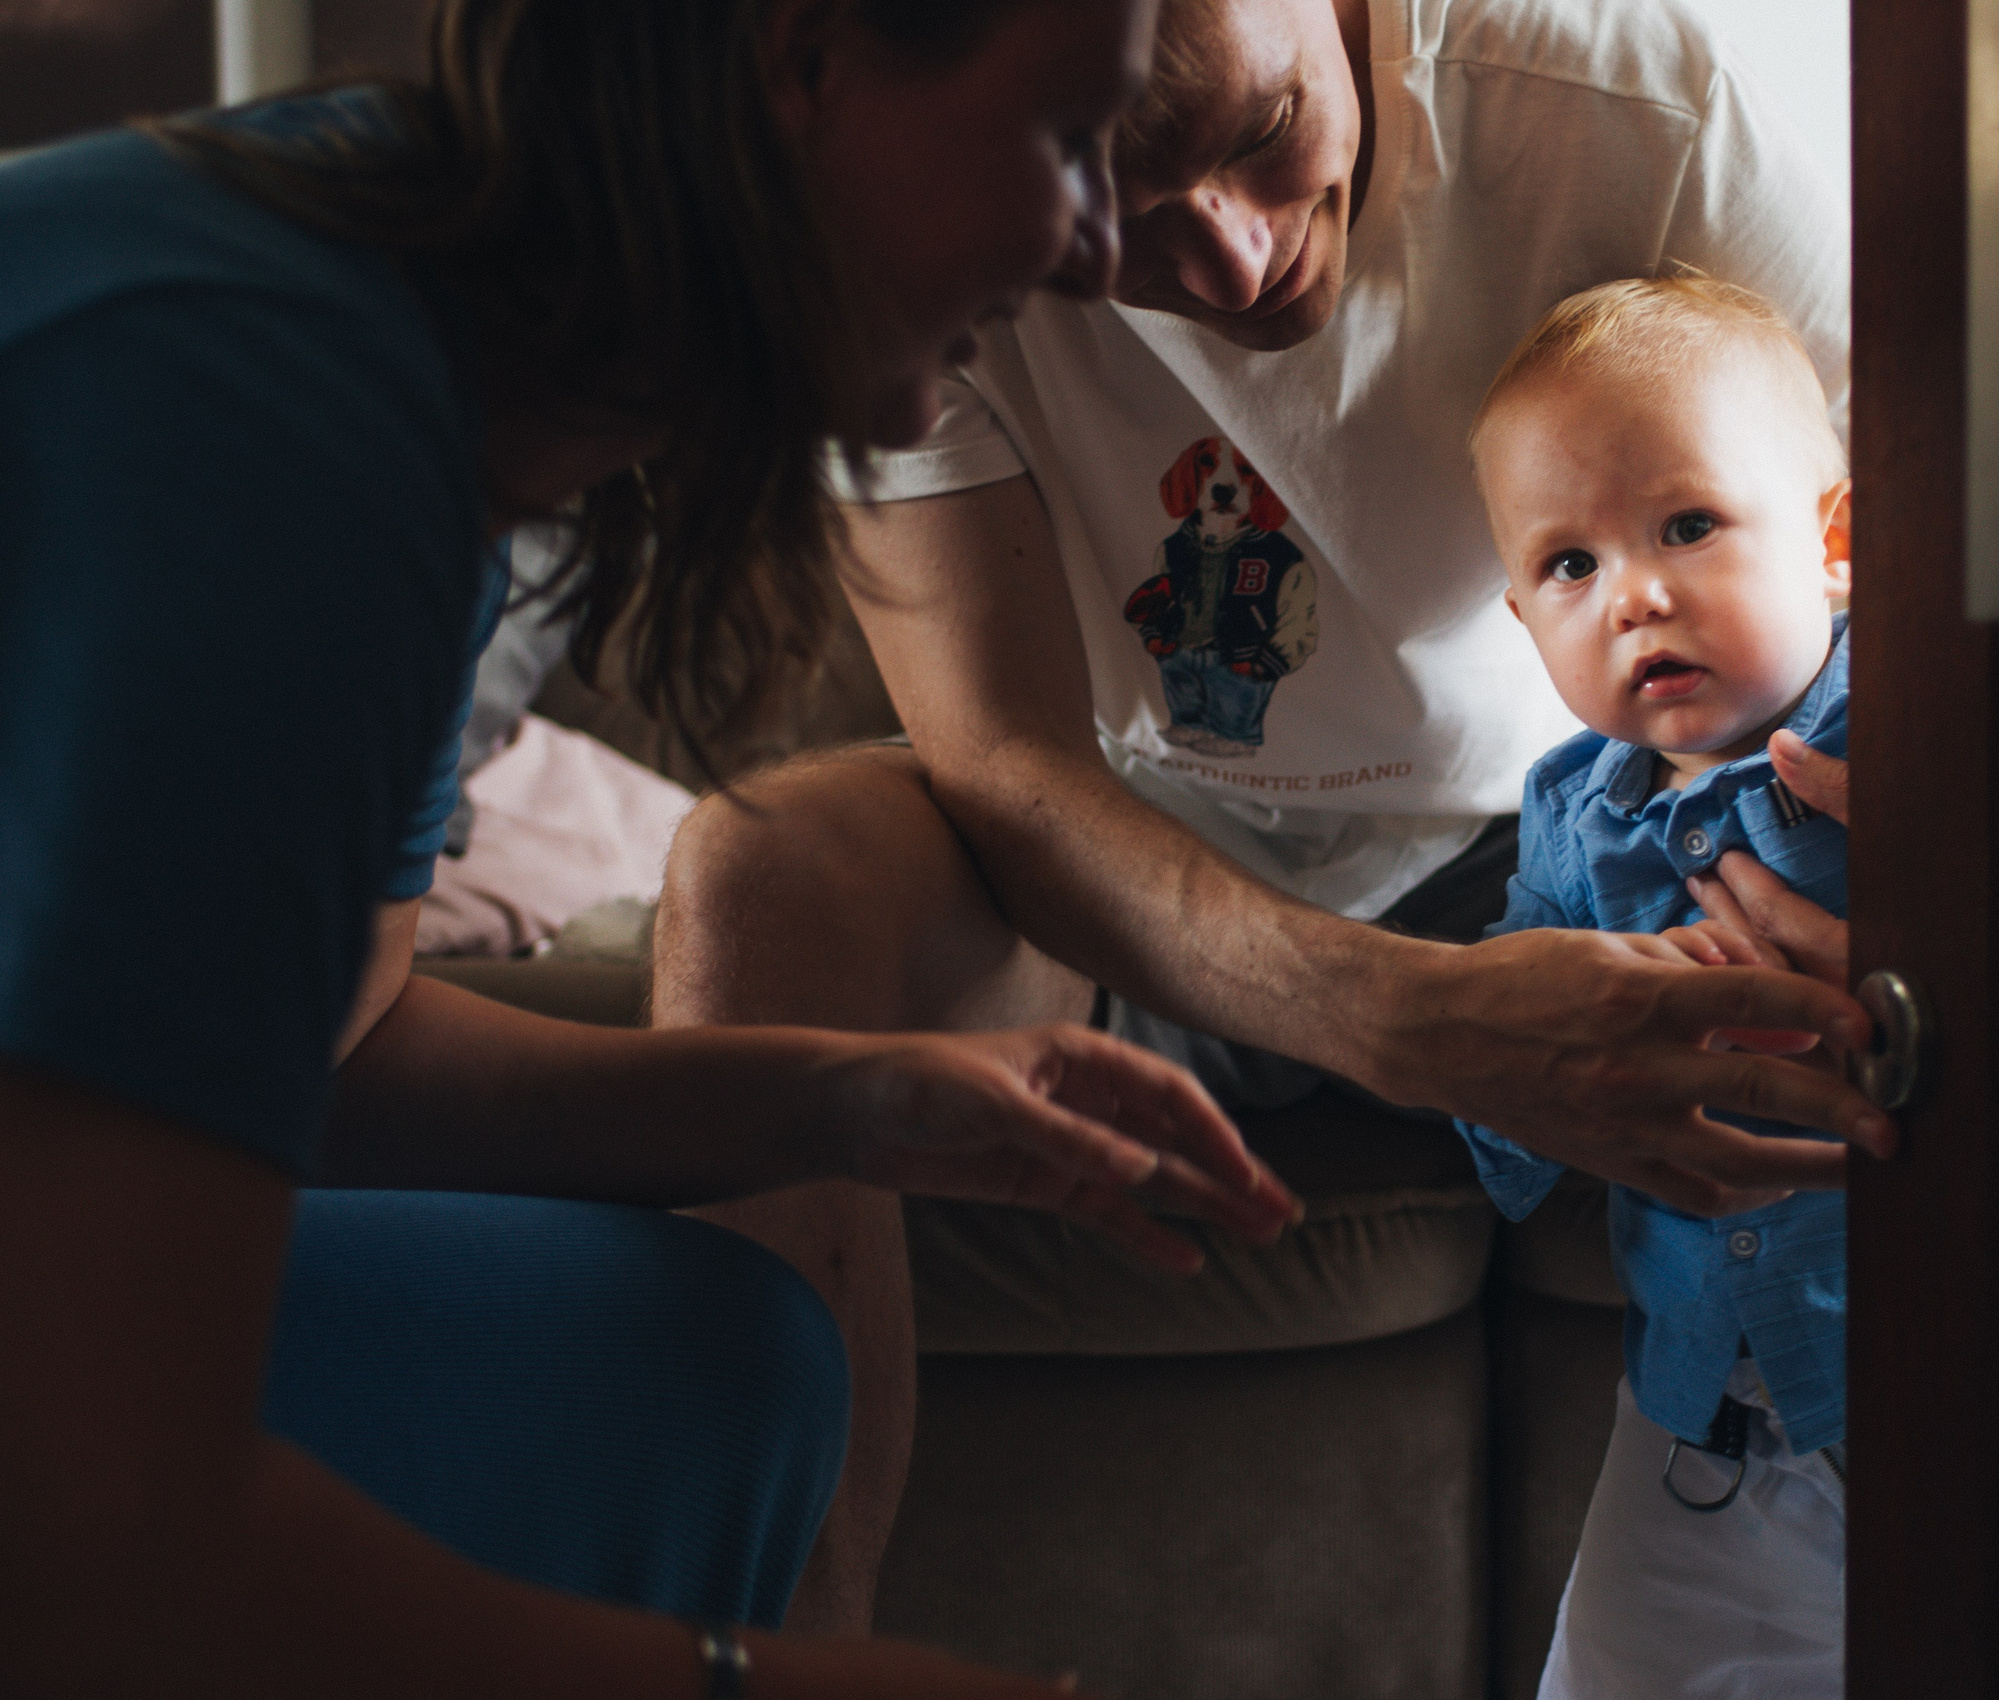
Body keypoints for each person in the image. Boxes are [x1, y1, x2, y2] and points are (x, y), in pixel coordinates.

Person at [0, 2, 1303, 1695]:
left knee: (712, 1359)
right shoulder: (282, 422)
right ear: (801, 56)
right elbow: (99, 1533)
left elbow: (345, 1046)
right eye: (1062, 139)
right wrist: (737, 1682)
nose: (1088, 239)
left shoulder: (467, 361)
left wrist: (844, 1097)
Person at [655, 0, 1893, 1633]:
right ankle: (771, 1655)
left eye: (1259, 137)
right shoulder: (909, 210)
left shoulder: (1633, 99)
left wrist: (1920, 870)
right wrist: (1404, 1020)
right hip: (1152, 841)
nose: (1232, 265)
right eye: (1111, 208)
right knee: (755, 874)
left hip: (1581, 826)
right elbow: (1007, 767)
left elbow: (1927, 550)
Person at [1460, 274, 1857, 1698]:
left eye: (1688, 526)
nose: (1634, 593)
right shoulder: (1571, 820)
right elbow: (1499, 1095)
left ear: (1835, 541)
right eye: (1569, 568)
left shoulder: (1908, 728)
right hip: (1701, 1413)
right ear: (1521, 618)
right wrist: (1553, 1024)